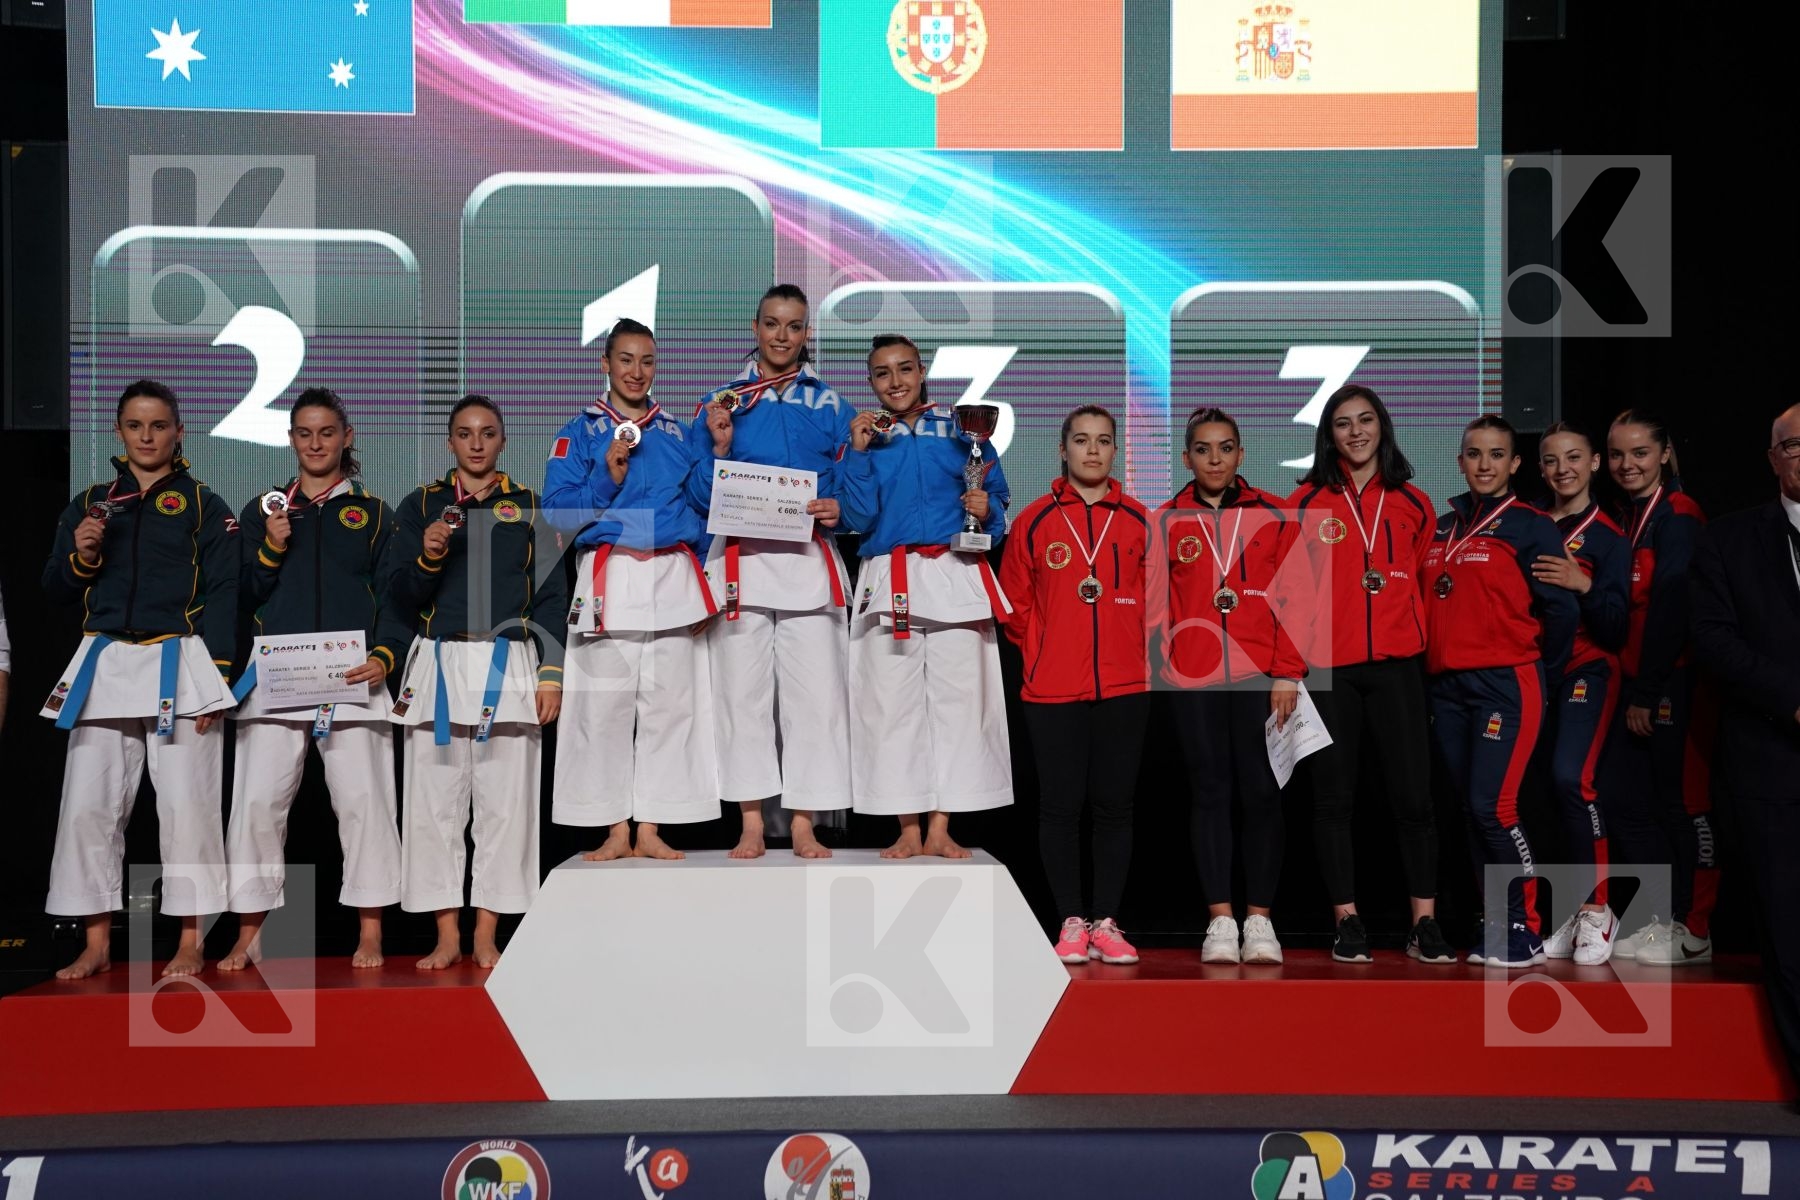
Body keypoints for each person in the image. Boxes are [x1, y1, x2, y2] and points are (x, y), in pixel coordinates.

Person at [39, 379, 237, 979]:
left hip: (180, 660)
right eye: (135, 426)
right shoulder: (92, 503)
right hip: (105, 662)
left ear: (178, 432)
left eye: (158, 426)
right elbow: (55, 587)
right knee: (87, 807)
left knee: (186, 806)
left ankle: (190, 941)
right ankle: (96, 941)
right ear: (120, 432)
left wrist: (221, 678)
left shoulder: (205, 503)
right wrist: (83, 556)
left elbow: (227, 591)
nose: (147, 436)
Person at [221, 387, 404, 970]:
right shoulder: (264, 511)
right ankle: (251, 930)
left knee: (365, 802)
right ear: (292, 439)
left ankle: (371, 930)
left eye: (327, 432)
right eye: (305, 433)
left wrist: (385, 656)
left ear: (346, 437)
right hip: (278, 673)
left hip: (353, 672)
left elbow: (397, 601)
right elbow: (243, 594)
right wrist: (271, 550)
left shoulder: (374, 513)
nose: (316, 442)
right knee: (255, 803)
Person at [385, 395, 565, 969]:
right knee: (434, 806)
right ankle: (446, 934)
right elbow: (400, 595)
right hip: (438, 664)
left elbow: (553, 597)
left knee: (505, 808)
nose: (477, 443)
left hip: (508, 663)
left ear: (503, 440)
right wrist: (429, 555)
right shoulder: (421, 506)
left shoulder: (529, 507)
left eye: (488, 432)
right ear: (450, 442)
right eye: (465, 433)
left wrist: (551, 673)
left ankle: (488, 931)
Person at [1286, 385, 1455, 964]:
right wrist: (1290, 669)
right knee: (1334, 800)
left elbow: (1424, 586)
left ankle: (1423, 925)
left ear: (1382, 426)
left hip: (1397, 667)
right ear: (1327, 435)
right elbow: (1289, 593)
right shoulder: (1305, 502)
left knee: (1414, 799)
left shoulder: (1413, 502)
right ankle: (1347, 922)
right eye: (1341, 424)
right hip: (1329, 668)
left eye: (1365, 421)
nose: (1355, 432)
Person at [544, 319, 719, 860]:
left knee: (672, 709)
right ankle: (614, 827)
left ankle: (652, 827)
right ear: (605, 364)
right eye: (625, 359)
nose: (636, 371)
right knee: (603, 710)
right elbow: (558, 511)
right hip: (610, 576)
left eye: (646, 360)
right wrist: (606, 478)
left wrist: (716, 448)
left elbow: (706, 506)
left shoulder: (676, 432)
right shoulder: (580, 432)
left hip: (672, 576)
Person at [689, 284, 852, 858]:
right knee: (742, 697)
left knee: (816, 698)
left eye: (794, 326)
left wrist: (841, 507)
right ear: (754, 328)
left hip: (809, 560)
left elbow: (850, 477)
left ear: (808, 334)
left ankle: (804, 819)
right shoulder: (724, 400)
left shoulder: (832, 404)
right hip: (742, 562)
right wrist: (720, 448)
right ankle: (752, 820)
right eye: (772, 324)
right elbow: (694, 486)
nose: (782, 336)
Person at [838, 335, 1013, 858]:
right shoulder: (867, 438)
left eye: (905, 369)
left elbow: (997, 506)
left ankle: (941, 824)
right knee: (890, 706)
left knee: (959, 707)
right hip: (888, 574)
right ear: (871, 382)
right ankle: (907, 826)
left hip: (953, 570)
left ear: (922, 374)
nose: (895, 381)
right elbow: (855, 518)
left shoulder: (962, 433)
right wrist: (859, 456)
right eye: (883, 373)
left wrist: (987, 510)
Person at [1149, 408, 1309, 965]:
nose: (1214, 459)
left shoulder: (1272, 514)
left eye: (1225, 448)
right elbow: (1153, 606)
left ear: (1241, 455)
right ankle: (1220, 922)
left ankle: (1260, 921)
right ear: (1187, 457)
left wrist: (1287, 670)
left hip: (1261, 676)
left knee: (1263, 793)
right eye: (1202, 449)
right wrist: (1166, 657)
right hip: (1192, 679)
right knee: (1210, 792)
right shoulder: (1166, 518)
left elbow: (1299, 597)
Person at [1421, 416, 1577, 967]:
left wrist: (1538, 671)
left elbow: (1560, 609)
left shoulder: (1531, 525)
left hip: (1505, 683)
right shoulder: (1442, 526)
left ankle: (1524, 927)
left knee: (1495, 807)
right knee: (1469, 809)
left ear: (1514, 464)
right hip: (1448, 688)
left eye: (1496, 454)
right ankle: (1494, 918)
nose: (1484, 464)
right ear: (1460, 460)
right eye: (1473, 453)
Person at [999, 403, 1148, 963]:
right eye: (1081, 440)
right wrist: (1043, 648)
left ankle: (1106, 923)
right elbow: (1015, 606)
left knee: (1115, 807)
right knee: (1060, 808)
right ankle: (1069, 923)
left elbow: (1153, 603)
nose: (1093, 450)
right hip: (1052, 687)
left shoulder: (1137, 519)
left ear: (1114, 451)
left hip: (1125, 685)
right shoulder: (1035, 520)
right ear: (1062, 450)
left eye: (1104, 440)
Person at [1690, 403, 1800, 1083]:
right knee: (1789, 932)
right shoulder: (1727, 541)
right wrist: (1790, 699)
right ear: (1772, 459)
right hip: (1771, 763)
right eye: (1794, 445)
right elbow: (1712, 641)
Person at [1602, 410, 1717, 965]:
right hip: (1634, 684)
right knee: (1629, 803)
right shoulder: (1628, 517)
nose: (1628, 464)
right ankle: (1658, 919)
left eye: (1640, 453)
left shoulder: (1678, 516)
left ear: (1665, 453)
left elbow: (1673, 609)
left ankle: (1694, 929)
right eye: (1619, 454)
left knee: (1683, 806)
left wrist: (1649, 691)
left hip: (1674, 683)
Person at [1529, 422, 1631, 964]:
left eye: (1573, 457)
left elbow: (1617, 628)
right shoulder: (1524, 522)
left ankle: (1598, 909)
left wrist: (1583, 584)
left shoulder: (1610, 537)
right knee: (1534, 796)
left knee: (1574, 779)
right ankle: (1565, 913)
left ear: (1594, 463)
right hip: (1529, 675)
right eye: (1551, 459)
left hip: (1586, 672)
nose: (1562, 468)